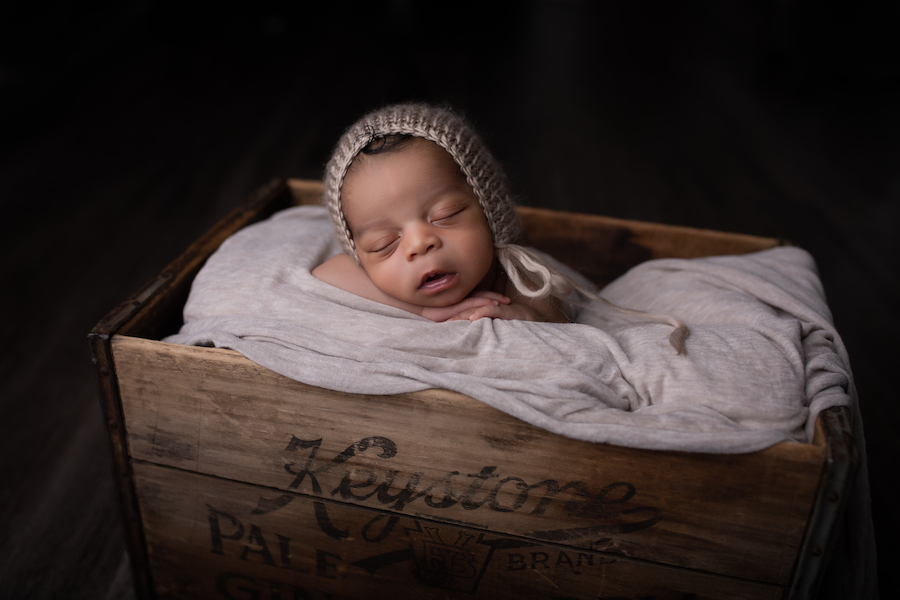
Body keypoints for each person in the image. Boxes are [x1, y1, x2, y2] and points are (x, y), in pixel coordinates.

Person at [313, 103, 688, 351]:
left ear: (490, 211)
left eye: (444, 215)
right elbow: (329, 272)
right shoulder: (369, 273)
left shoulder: (521, 279)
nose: (419, 243)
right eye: (384, 244)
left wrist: (523, 317)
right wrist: (423, 313)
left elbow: (559, 328)